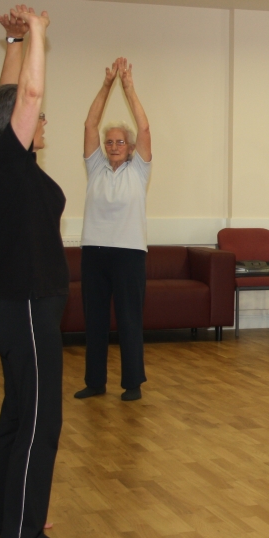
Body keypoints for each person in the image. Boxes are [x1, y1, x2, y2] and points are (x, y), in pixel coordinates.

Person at [0, 5, 71, 538]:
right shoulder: (8, 164)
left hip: (16, 308)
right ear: (15, 127)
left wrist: (12, 41)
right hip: (28, 309)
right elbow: (26, 97)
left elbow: (9, 96)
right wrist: (36, 31)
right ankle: (23, 535)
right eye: (37, 118)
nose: (42, 120)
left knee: (16, 418)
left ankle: (3, 518)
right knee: (39, 421)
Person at [73, 58, 153, 402]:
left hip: (129, 254)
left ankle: (132, 384)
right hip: (94, 252)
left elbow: (144, 128)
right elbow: (90, 124)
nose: (114, 146)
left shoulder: (139, 170)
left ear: (131, 148)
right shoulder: (96, 167)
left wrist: (128, 88)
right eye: (110, 142)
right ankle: (95, 382)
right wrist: (107, 86)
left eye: (120, 142)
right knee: (94, 321)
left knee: (129, 320)